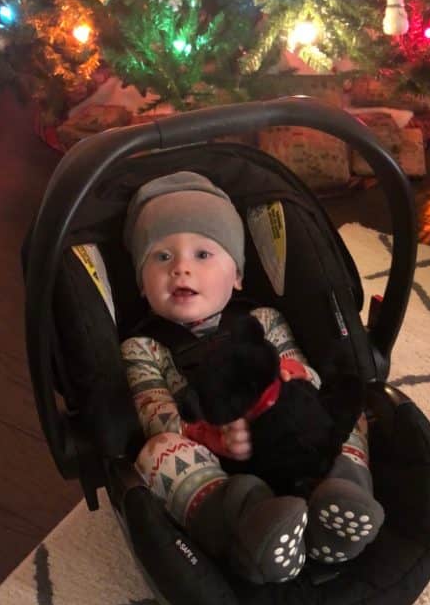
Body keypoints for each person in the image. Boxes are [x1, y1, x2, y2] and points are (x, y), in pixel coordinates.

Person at [121, 171, 384, 584]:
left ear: (238, 275)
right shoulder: (143, 346)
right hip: (220, 467)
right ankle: (249, 528)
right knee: (156, 451)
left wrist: (288, 377)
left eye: (203, 254)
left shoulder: (262, 319)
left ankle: (341, 494)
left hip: (297, 442)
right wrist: (213, 435)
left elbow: (307, 379)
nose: (181, 270)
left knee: (351, 407)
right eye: (162, 257)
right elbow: (155, 414)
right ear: (141, 284)